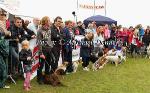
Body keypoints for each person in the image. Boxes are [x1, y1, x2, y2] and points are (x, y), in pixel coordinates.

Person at [36, 16, 53, 84]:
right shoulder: (40, 30)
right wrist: (41, 53)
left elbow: (49, 39)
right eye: (48, 20)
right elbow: (39, 42)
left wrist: (51, 46)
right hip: (43, 50)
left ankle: (46, 77)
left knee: (48, 65)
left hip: (49, 50)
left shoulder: (49, 29)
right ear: (45, 21)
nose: (50, 22)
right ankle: (39, 79)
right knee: (41, 65)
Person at [0, 10, 11, 89]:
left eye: (4, 15)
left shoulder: (5, 23)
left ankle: (2, 84)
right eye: (1, 14)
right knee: (3, 67)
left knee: (4, 67)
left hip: (4, 48)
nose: (3, 16)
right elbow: (4, 34)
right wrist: (6, 33)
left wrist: (7, 33)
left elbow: (8, 35)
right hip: (1, 48)